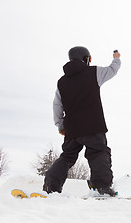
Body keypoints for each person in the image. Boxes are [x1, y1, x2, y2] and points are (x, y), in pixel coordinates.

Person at [43, 46, 121, 197]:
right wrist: (116, 58)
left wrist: (60, 125)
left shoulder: (62, 82)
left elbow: (56, 105)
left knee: (67, 156)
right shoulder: (94, 72)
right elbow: (112, 70)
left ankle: (50, 186)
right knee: (98, 153)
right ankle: (102, 187)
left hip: (72, 128)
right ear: (86, 58)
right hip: (93, 125)